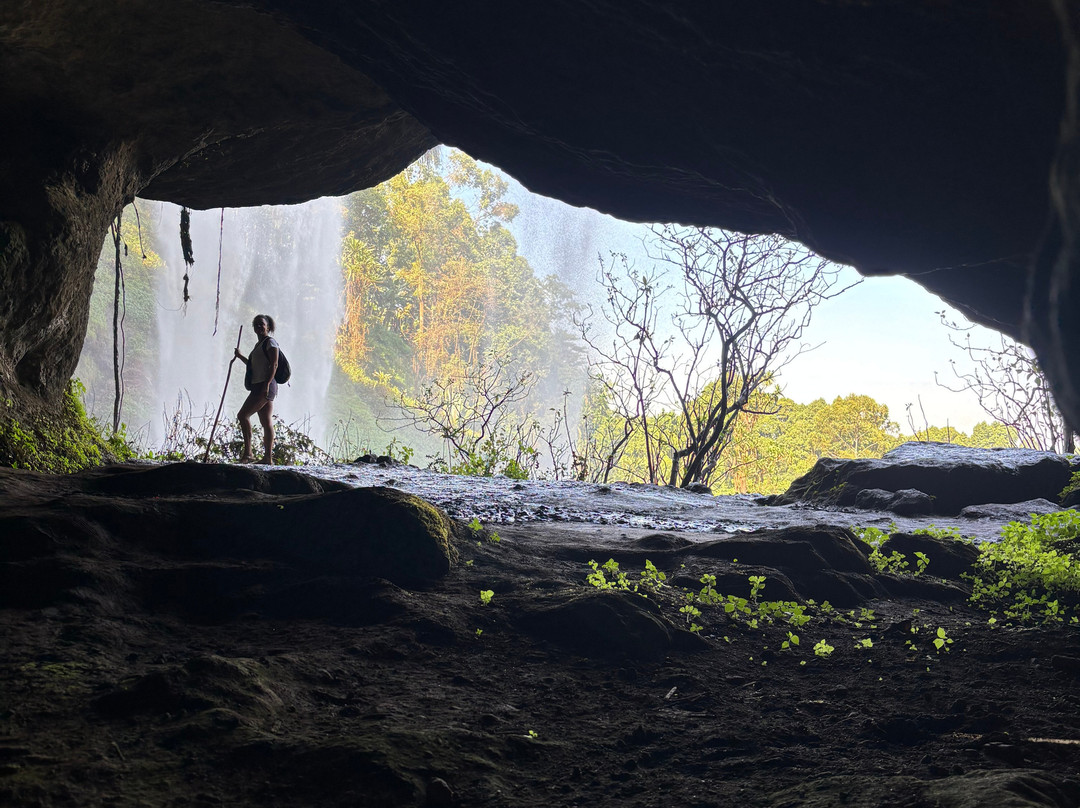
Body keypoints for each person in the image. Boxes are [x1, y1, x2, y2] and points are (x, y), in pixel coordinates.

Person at [234, 314, 279, 464]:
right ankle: (268, 458)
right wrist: (240, 357)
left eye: (262, 324)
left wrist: (266, 384)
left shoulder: (271, 342)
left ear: (268, 327)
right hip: (260, 385)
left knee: (243, 415)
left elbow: (274, 364)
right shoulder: (258, 346)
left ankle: (248, 454)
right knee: (266, 422)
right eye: (256, 325)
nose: (259, 327)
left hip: (265, 386)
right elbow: (252, 366)